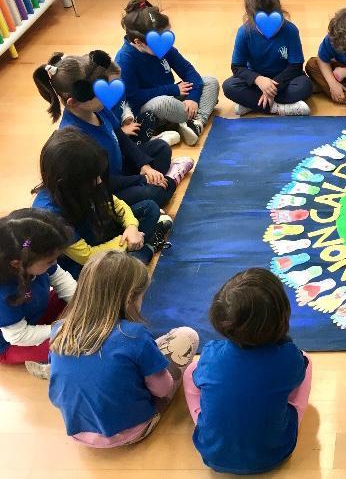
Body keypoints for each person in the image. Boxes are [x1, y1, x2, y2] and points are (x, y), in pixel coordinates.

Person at [49, 251, 199, 447]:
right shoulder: (134, 335)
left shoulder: (59, 329)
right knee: (187, 336)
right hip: (132, 431)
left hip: (79, 433)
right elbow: (163, 389)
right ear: (130, 298)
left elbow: (56, 398)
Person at [183, 268, 312, 474]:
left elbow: (199, 378)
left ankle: (207, 421)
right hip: (275, 453)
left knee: (192, 371)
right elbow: (298, 372)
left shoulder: (211, 353)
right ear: (282, 316)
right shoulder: (288, 356)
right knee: (306, 362)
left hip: (212, 455)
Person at [33, 51, 193, 207]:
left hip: (120, 170)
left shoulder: (98, 109)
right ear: (73, 102)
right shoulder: (76, 139)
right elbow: (104, 181)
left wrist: (144, 165)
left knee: (161, 148)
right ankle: (170, 179)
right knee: (154, 192)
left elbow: (121, 137)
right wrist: (142, 179)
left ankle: (157, 182)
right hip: (105, 189)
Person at [31, 128, 171, 277]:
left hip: (100, 232)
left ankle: (137, 256)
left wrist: (131, 227)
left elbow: (116, 204)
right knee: (96, 277)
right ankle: (141, 253)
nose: (99, 181)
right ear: (68, 181)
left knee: (150, 208)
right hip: (84, 263)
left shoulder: (85, 182)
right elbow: (87, 256)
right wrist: (126, 243)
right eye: (93, 178)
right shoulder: (50, 215)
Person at [115, 0, 219, 146]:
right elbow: (133, 97)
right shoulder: (125, 60)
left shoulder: (162, 47)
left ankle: (196, 123)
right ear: (139, 42)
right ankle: (192, 118)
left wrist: (193, 98)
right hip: (148, 108)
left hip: (172, 97)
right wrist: (172, 89)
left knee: (210, 81)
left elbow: (188, 70)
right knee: (163, 102)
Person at [0, 209, 75, 376]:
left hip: (37, 314)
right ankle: (44, 363)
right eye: (49, 261)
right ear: (16, 264)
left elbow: (60, 278)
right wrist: (61, 328)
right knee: (72, 345)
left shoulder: (34, 259)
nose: (54, 263)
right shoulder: (4, 293)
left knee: (81, 297)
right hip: (12, 344)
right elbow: (18, 336)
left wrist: (85, 302)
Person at [222, 0, 312, 116]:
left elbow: (296, 66)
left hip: (284, 80)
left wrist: (272, 88)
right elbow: (237, 67)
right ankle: (279, 107)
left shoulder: (290, 30)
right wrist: (259, 80)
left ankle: (253, 104)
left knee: (305, 86)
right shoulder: (244, 32)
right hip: (257, 81)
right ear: (251, 16)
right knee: (229, 86)